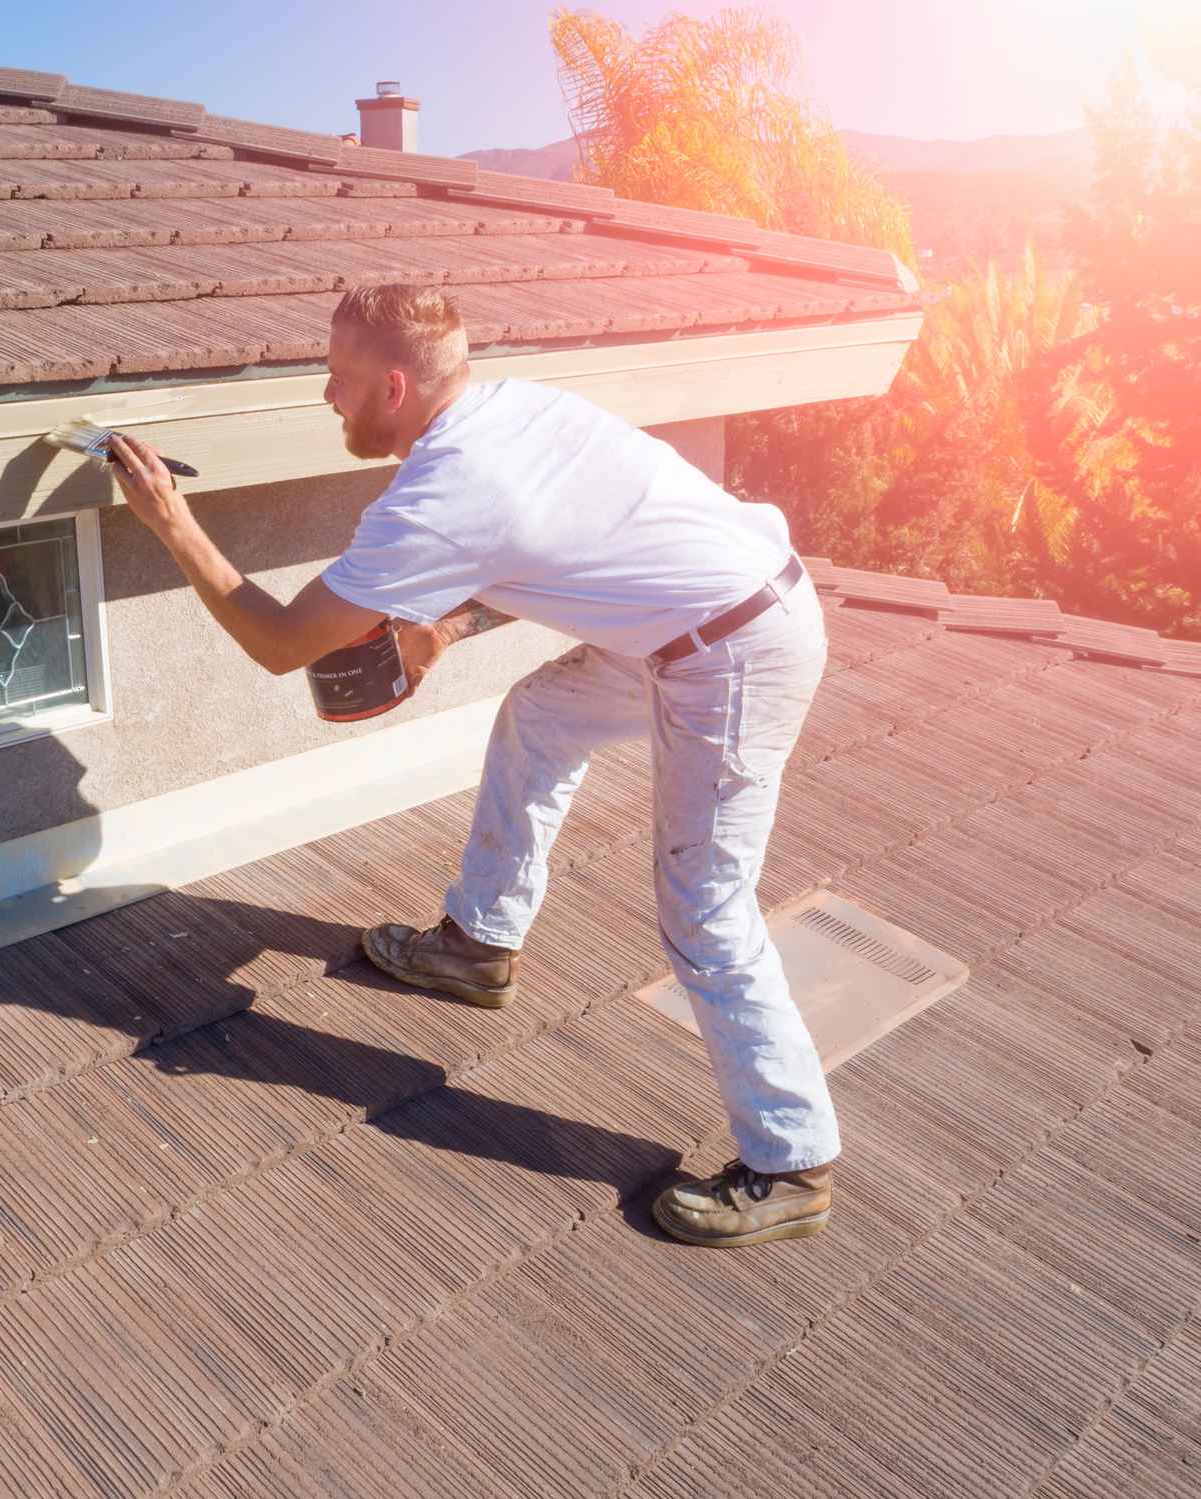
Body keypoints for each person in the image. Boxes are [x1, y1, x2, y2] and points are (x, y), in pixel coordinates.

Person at [103, 283, 837, 1249]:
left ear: (396, 387)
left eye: (341, 378)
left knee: (704, 905)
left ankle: (791, 1159)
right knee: (540, 717)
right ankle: (479, 943)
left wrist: (171, 522)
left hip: (732, 654)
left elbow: (281, 642)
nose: (328, 395)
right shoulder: (510, 409)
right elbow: (563, 551)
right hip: (697, 619)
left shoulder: (442, 493)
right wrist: (447, 626)